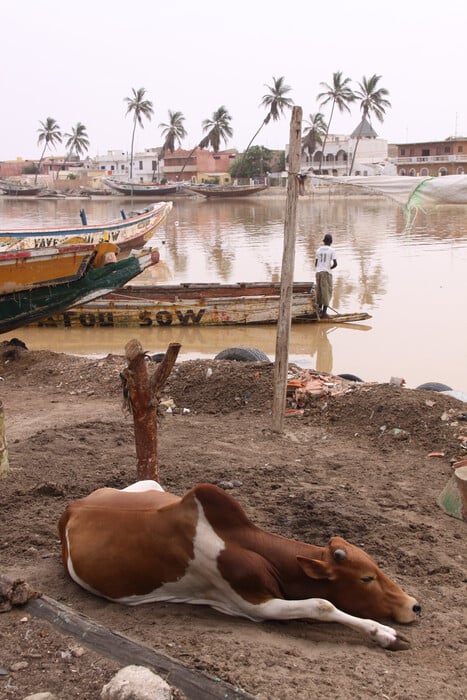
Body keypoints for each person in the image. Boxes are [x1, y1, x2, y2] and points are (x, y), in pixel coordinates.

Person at [315, 233, 337, 318]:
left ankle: (319, 311)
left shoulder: (318, 250)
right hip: (326, 273)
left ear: (324, 241)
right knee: (327, 292)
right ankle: (324, 313)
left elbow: (316, 264)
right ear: (331, 241)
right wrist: (329, 268)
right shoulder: (332, 250)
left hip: (318, 273)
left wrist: (321, 268)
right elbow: (335, 264)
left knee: (319, 292)